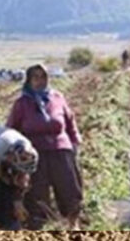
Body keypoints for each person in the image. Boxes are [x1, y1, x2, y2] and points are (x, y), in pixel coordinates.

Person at [6, 63, 83, 230]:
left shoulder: (57, 98)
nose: (40, 81)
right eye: (36, 77)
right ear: (29, 80)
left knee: (69, 187)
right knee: (36, 192)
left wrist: (75, 141)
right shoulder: (22, 103)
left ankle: (73, 224)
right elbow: (11, 129)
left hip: (60, 149)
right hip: (35, 153)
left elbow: (70, 121)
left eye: (43, 77)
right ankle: (38, 227)